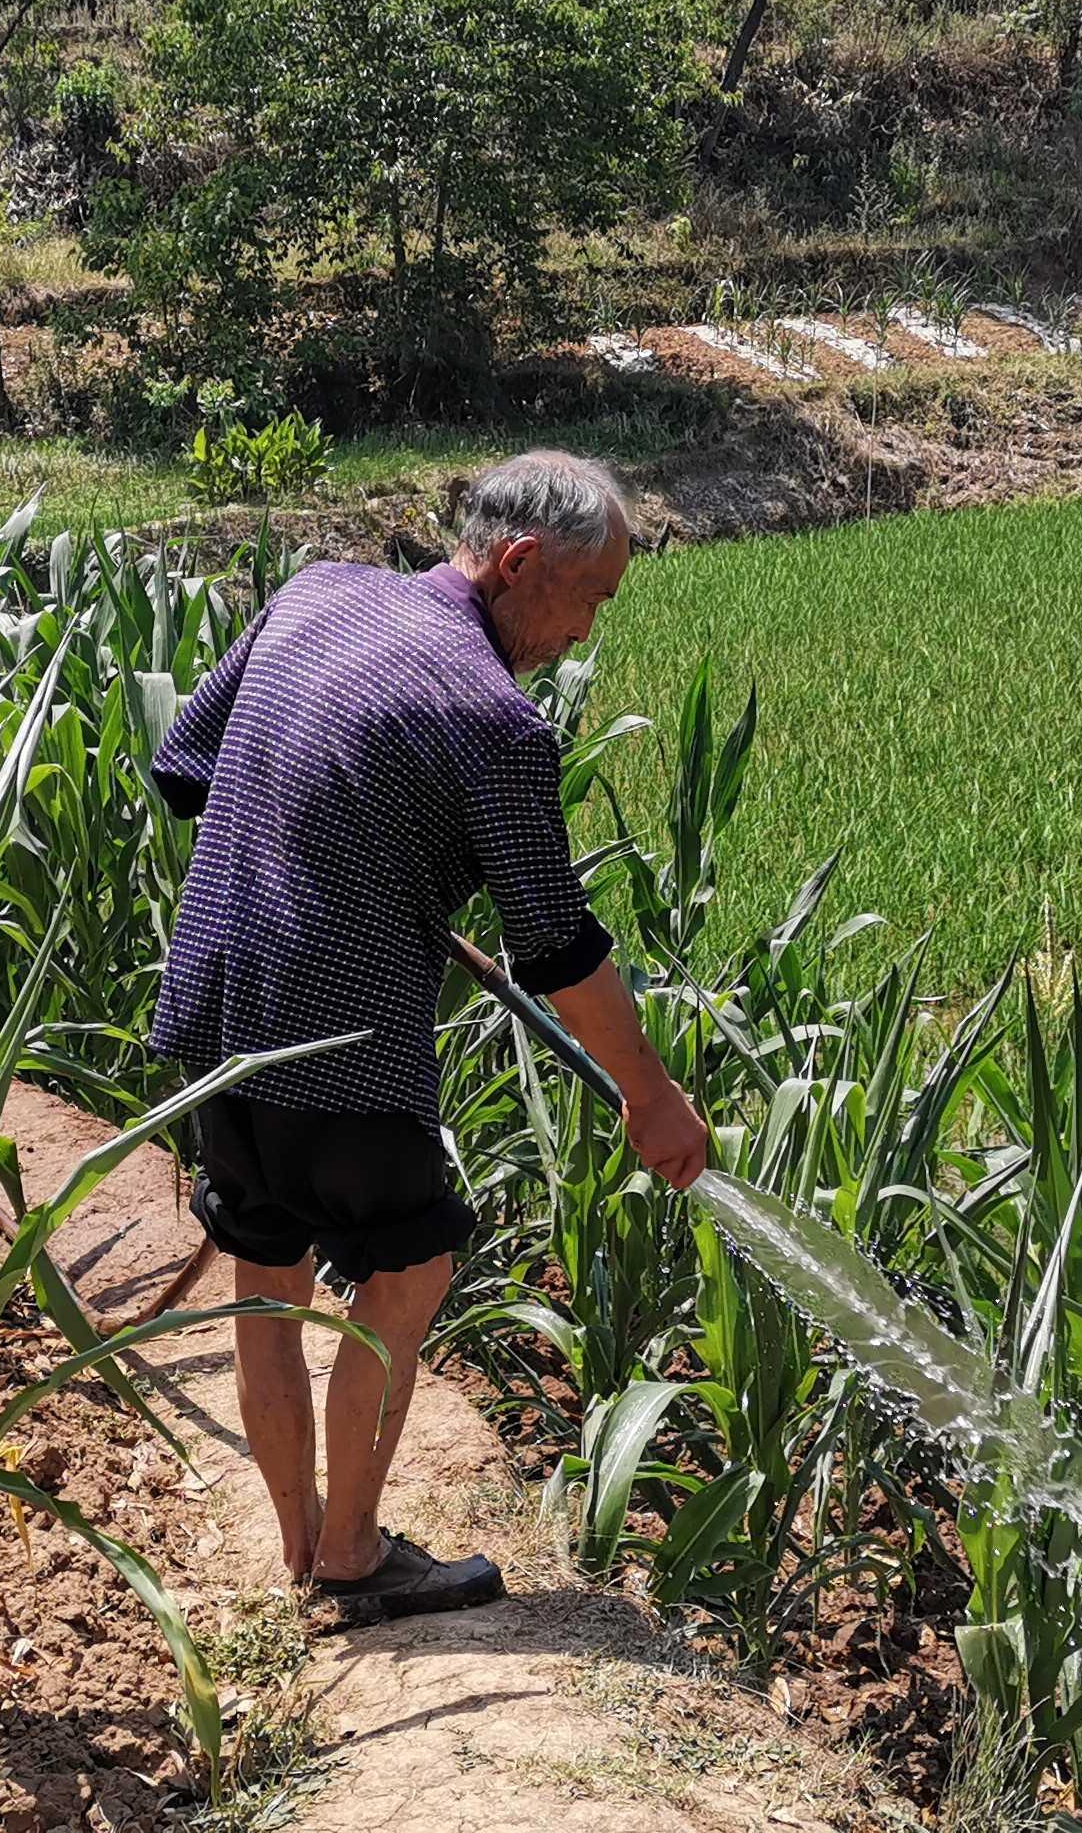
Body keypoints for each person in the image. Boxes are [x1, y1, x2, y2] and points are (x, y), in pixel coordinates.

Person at [148, 449, 710, 1621]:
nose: (582, 636)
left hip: (216, 998)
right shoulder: (491, 719)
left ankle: (299, 1544)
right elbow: (557, 948)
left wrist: (348, 850)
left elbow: (186, 766)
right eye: (587, 601)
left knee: (271, 1264)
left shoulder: (314, 591)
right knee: (408, 1267)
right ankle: (351, 1555)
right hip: (334, 1028)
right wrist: (650, 1094)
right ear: (517, 565)